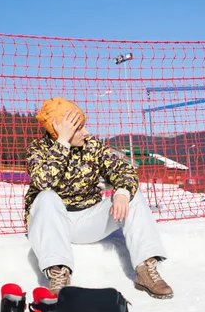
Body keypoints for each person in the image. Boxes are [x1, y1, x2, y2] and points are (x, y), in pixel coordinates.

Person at [24, 96, 173, 299]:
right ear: (60, 131)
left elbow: (124, 170)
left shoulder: (92, 146)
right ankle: (58, 274)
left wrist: (121, 192)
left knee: (132, 194)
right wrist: (63, 143)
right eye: (79, 128)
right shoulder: (38, 150)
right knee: (46, 197)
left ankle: (146, 269)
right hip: (52, 226)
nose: (86, 132)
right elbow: (44, 183)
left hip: (87, 221)